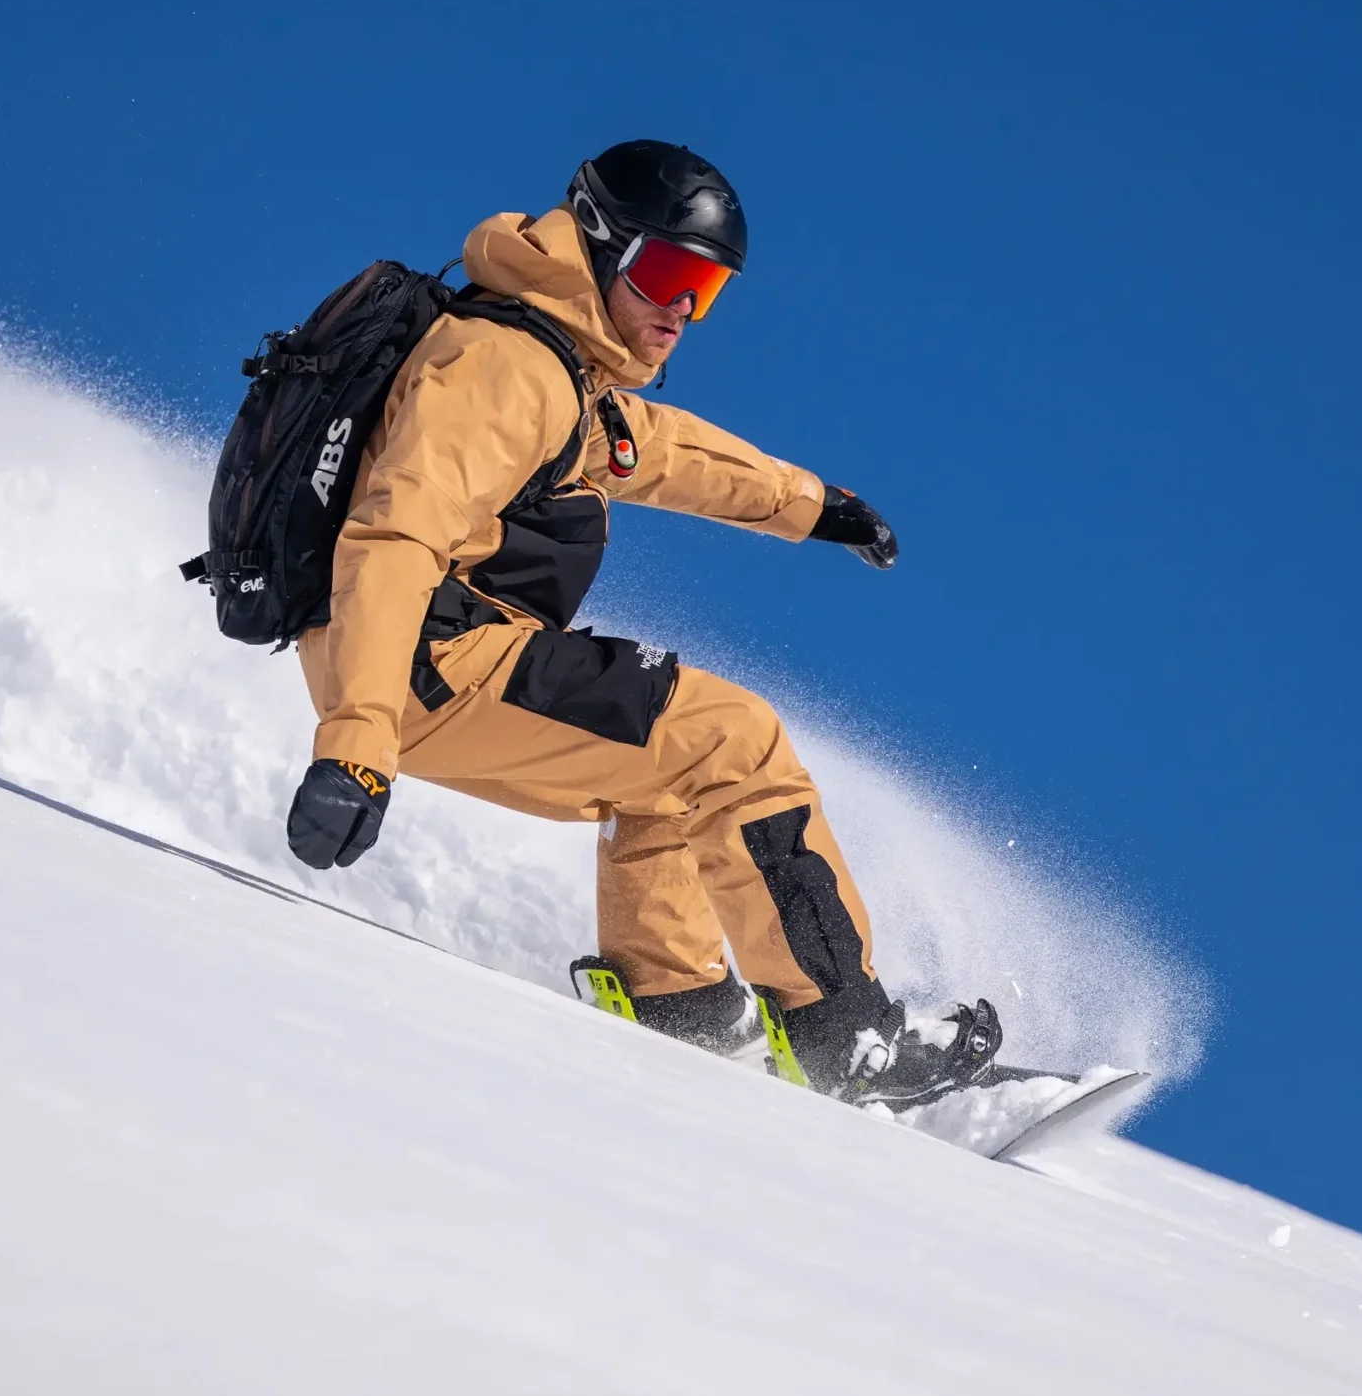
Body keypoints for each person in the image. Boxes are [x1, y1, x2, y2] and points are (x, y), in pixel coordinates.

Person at [281, 139, 1001, 1102]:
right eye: (663, 272)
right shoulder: (502, 365)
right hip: (420, 658)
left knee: (668, 775)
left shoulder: (558, 367)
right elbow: (395, 535)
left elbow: (655, 449)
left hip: (436, 654)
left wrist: (811, 504)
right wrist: (356, 745)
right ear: (595, 245)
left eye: (703, 288)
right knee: (732, 743)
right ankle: (847, 1036)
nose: (678, 310)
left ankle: (683, 1005)